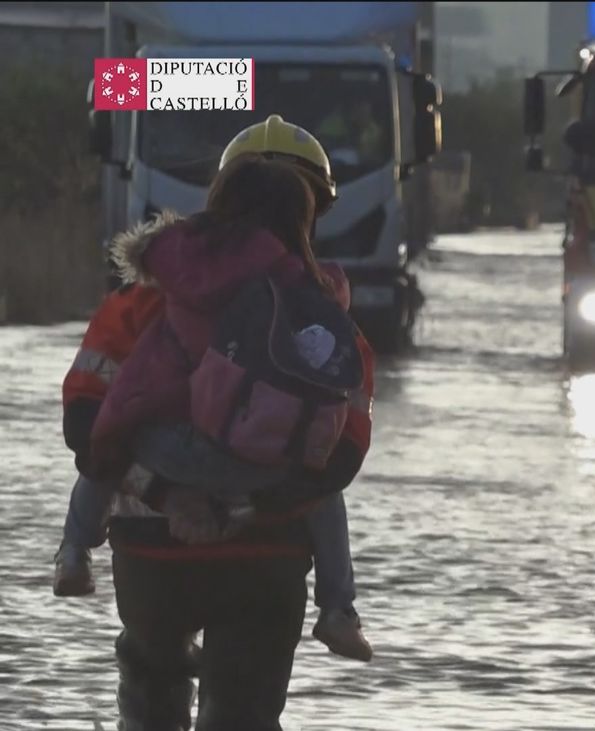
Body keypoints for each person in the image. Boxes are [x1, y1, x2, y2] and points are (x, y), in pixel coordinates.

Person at [58, 115, 377, 729]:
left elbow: (85, 424)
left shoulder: (143, 298)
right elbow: (339, 458)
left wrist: (169, 494)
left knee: (150, 694)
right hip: (267, 557)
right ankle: (342, 612)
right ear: (312, 213)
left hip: (152, 556)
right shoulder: (327, 319)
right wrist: (239, 505)